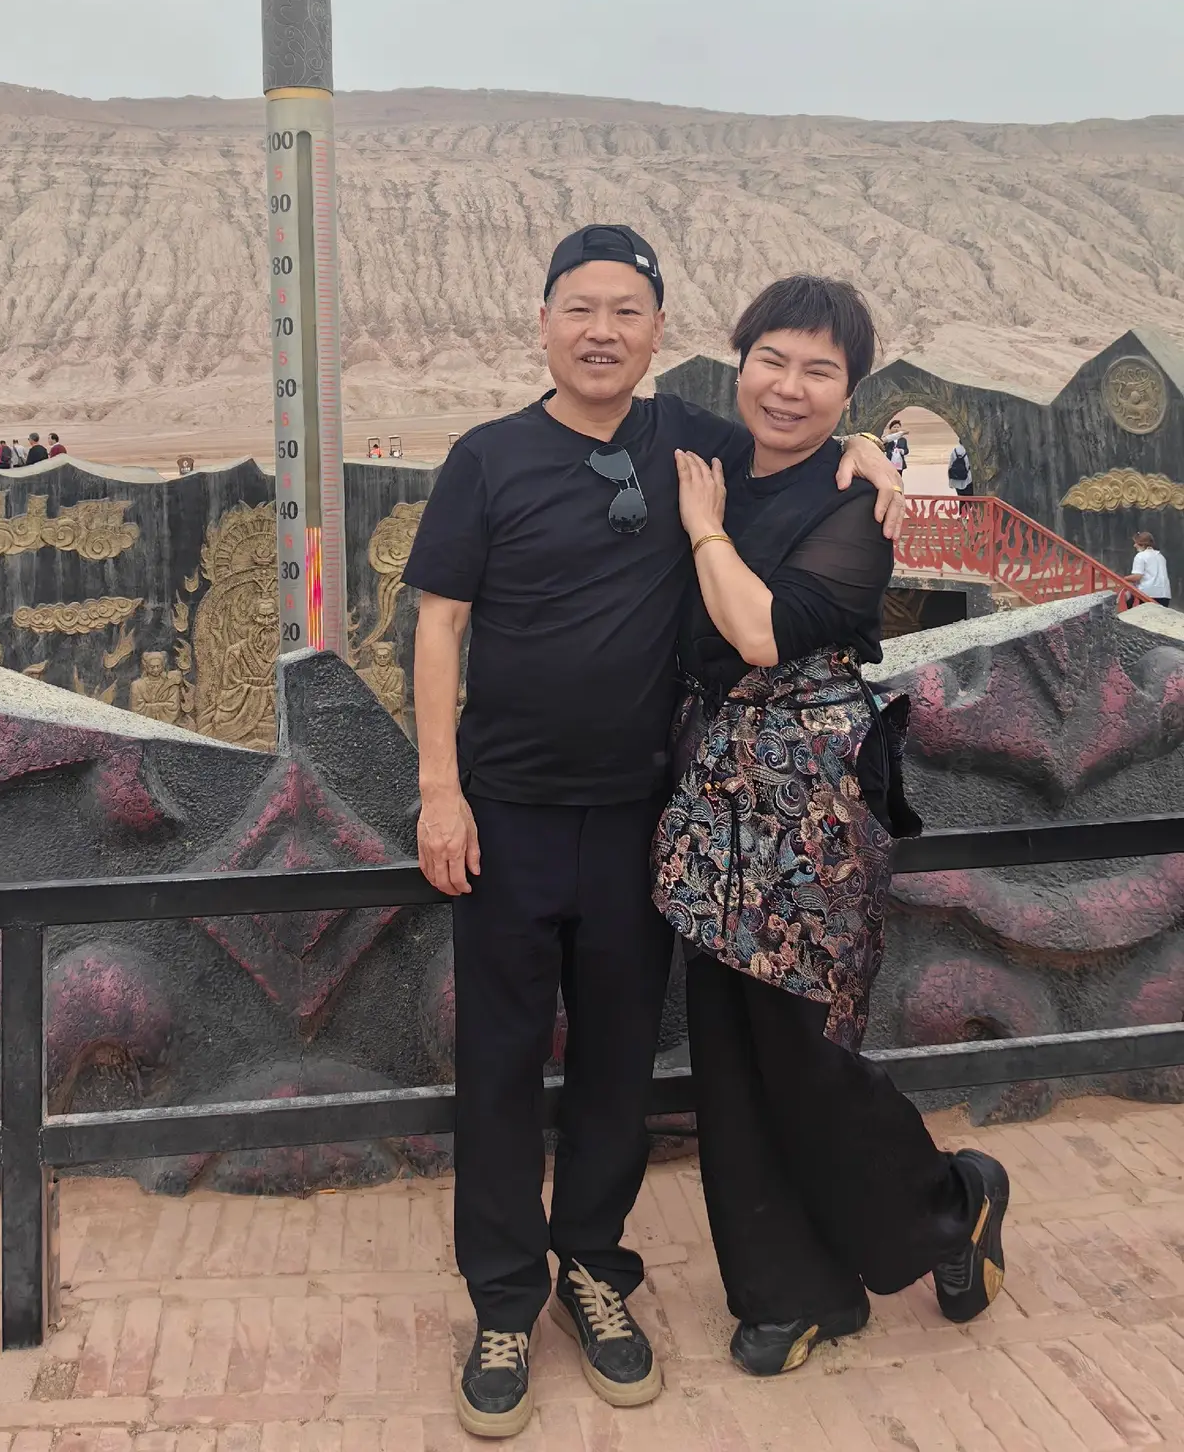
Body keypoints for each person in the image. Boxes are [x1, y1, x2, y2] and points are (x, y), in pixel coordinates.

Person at [402, 226, 905, 1438]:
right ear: (543, 322)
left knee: (619, 1065)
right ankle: (504, 1301)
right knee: (499, 1066)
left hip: (643, 818)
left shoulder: (694, 440)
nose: (601, 332)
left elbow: (804, 433)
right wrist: (438, 790)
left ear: (659, 332)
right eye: (580, 309)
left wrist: (885, 456)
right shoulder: (486, 459)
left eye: (626, 312)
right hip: (505, 813)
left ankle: (594, 1267)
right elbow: (439, 626)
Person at [654, 274, 1009, 1380]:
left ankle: (950, 1204)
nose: (789, 387)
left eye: (822, 372)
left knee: (804, 1052)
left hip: (810, 809)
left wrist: (704, 530)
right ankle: (793, 1294)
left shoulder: (855, 508)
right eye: (773, 359)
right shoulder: (722, 452)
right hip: (715, 803)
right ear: (741, 361)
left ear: (849, 390)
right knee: (726, 1054)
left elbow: (764, 633)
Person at [1129, 530, 1171, 605]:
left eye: (1136, 543)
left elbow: (1137, 576)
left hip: (1147, 594)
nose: (1134, 545)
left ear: (1142, 544)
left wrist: (1124, 578)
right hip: (1164, 594)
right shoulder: (1161, 556)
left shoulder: (1140, 556)